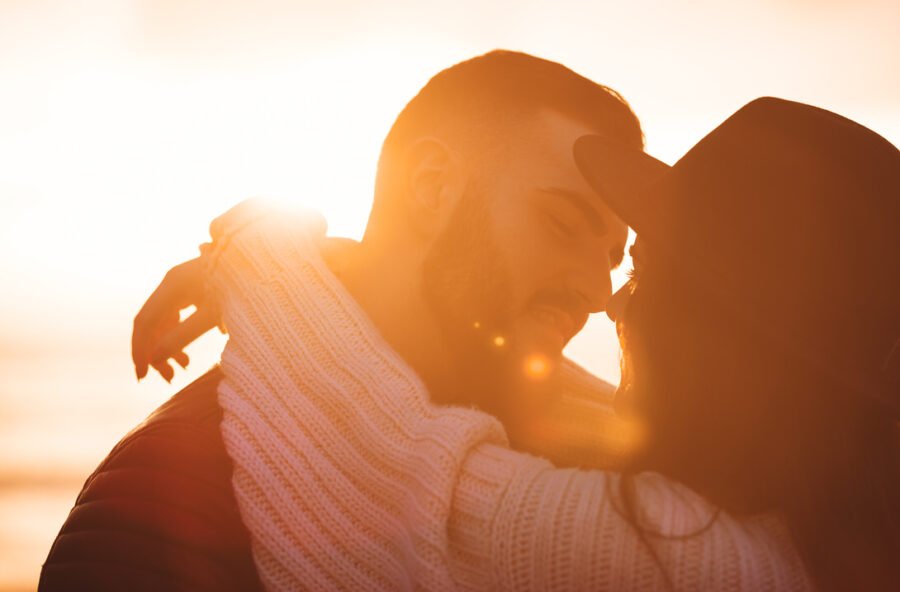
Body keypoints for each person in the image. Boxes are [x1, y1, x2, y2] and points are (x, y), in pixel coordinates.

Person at [121, 97, 898, 590]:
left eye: (642, 269)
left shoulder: (687, 555)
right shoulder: (821, 522)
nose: (609, 300)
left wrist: (263, 251)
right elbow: (577, 407)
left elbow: (386, 459)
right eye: (568, 230)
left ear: (724, 341)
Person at [40, 50, 645, 590]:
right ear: (433, 187)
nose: (596, 294)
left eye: (612, 261)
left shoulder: (571, 466)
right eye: (563, 224)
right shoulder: (169, 495)